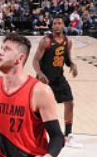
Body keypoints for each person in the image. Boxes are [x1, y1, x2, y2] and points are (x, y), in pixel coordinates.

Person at [33, 17, 82, 148]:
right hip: (45, 79)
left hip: (59, 78)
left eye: (59, 23)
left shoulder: (68, 42)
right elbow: (35, 60)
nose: (57, 26)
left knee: (70, 103)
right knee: (39, 110)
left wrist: (73, 64)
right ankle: (35, 134)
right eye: (54, 23)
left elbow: (67, 59)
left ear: (63, 25)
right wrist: (40, 74)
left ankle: (68, 135)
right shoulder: (46, 41)